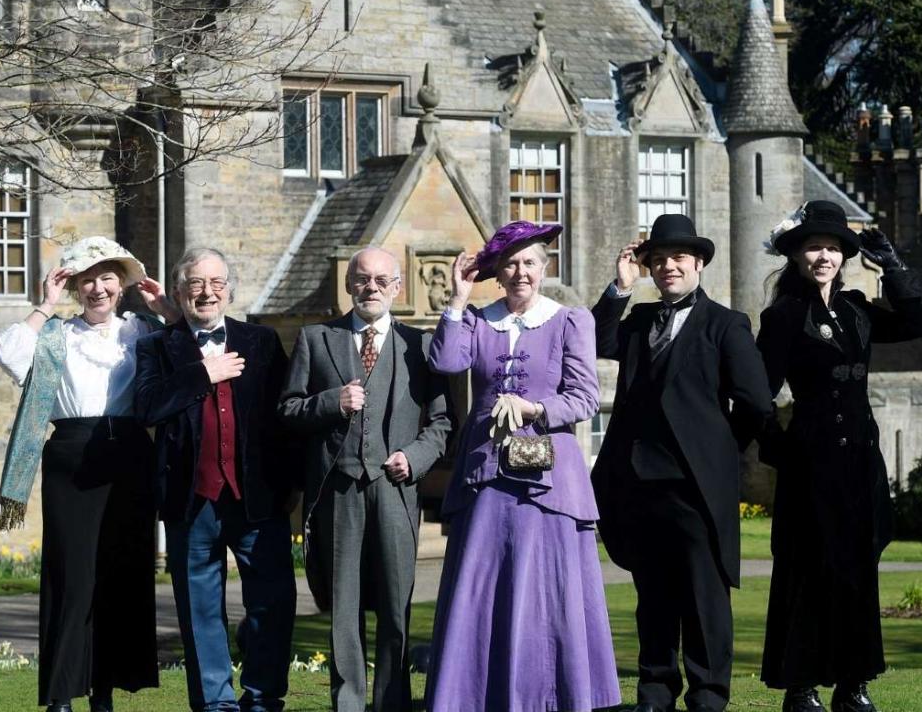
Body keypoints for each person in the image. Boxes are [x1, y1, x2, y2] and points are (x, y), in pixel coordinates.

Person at [424, 221, 620, 712]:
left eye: (530, 262)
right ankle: (476, 697)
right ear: (498, 271)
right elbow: (446, 364)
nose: (520, 273)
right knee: (483, 588)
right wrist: (456, 296)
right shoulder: (475, 320)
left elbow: (585, 398)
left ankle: (553, 697)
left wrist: (535, 410)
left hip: (549, 480)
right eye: (510, 264)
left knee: (547, 593)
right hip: (486, 475)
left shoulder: (570, 320)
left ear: (544, 267)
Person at [590, 213, 772, 712]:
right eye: (659, 259)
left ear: (698, 263)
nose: (668, 266)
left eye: (678, 258)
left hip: (697, 487)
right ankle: (655, 692)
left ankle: (709, 695)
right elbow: (593, 342)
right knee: (653, 597)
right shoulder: (640, 320)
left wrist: (716, 449)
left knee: (704, 598)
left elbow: (756, 401)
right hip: (638, 483)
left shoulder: (726, 324)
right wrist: (618, 286)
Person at [0, 236, 175, 712]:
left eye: (107, 277)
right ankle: (60, 694)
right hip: (72, 459)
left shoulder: (145, 330)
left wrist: (166, 307)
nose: (98, 288)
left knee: (122, 574)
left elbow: (192, 354)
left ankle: (105, 691)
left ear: (122, 284)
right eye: (87, 279)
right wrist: (43, 304)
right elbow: (9, 354)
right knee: (71, 578)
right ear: (74, 286)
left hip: (130, 456)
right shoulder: (57, 334)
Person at [756, 201, 922, 712]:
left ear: (843, 256)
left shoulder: (856, 308)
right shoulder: (783, 316)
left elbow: (913, 324)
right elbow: (757, 393)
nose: (823, 256)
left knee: (857, 572)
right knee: (806, 571)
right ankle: (801, 685)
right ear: (797, 255)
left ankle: (854, 684)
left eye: (832, 247)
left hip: (859, 464)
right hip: (809, 463)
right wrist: (779, 448)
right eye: (814, 247)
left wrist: (892, 267)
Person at [279, 246, 451, 712]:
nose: (370, 287)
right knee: (345, 607)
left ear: (397, 287)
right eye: (362, 279)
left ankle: (392, 702)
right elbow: (288, 411)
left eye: (381, 280)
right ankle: (348, 704)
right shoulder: (317, 339)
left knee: (396, 604)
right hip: (337, 489)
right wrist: (332, 401)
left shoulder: (419, 346)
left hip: (395, 489)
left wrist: (413, 459)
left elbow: (440, 424)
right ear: (349, 285)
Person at [133, 247, 296, 712]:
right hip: (191, 500)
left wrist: (289, 489)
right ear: (180, 292)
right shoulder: (157, 347)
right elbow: (147, 406)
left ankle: (264, 699)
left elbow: (282, 419)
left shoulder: (261, 342)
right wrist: (203, 373)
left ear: (229, 289)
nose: (208, 292)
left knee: (271, 605)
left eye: (217, 283)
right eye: (197, 284)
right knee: (200, 612)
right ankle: (215, 705)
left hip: (257, 500)